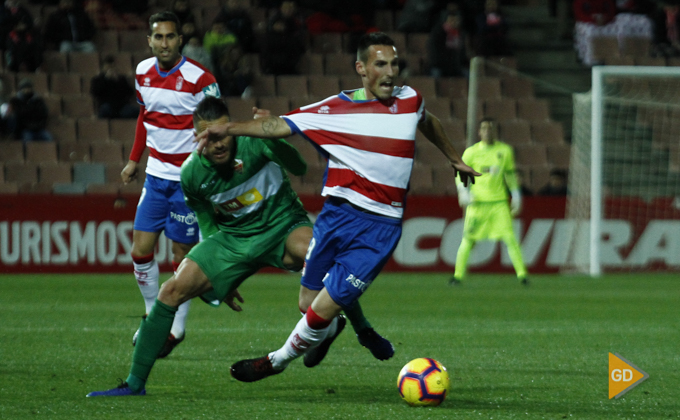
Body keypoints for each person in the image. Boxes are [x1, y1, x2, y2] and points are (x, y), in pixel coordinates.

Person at [192, 32, 479, 383]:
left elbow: (427, 120)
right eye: (380, 64)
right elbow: (279, 124)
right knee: (307, 302)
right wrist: (230, 127)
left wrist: (454, 157)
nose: (391, 72)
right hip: (336, 216)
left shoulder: (409, 99)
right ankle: (334, 331)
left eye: (395, 64)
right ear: (361, 68)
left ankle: (276, 360)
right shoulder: (334, 110)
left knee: (322, 307)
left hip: (379, 228)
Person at [86, 96, 396, 397]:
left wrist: (274, 140)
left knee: (326, 259)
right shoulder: (191, 173)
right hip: (233, 239)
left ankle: (363, 330)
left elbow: (299, 167)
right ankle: (134, 383)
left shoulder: (255, 143)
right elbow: (207, 220)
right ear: (196, 136)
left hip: (283, 226)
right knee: (171, 291)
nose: (218, 143)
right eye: (209, 136)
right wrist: (220, 272)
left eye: (222, 133)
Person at [120, 11, 221, 359]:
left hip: (187, 182)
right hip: (155, 177)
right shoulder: (142, 73)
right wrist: (135, 159)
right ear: (149, 40)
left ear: (181, 40)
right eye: (158, 37)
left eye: (170, 37)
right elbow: (144, 117)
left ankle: (175, 327)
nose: (164, 43)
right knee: (140, 251)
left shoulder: (200, 78)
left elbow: (216, 123)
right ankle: (153, 314)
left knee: (181, 257)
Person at [449, 118, 528, 287]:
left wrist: (516, 194)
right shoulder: (471, 152)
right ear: (479, 132)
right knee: (468, 239)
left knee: (510, 239)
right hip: (477, 204)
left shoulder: (504, 151)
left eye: (490, 128)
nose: (487, 131)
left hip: (499, 203)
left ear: (494, 131)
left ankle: (522, 276)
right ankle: (457, 276)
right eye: (484, 128)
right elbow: (460, 174)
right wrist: (463, 191)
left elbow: (510, 174)